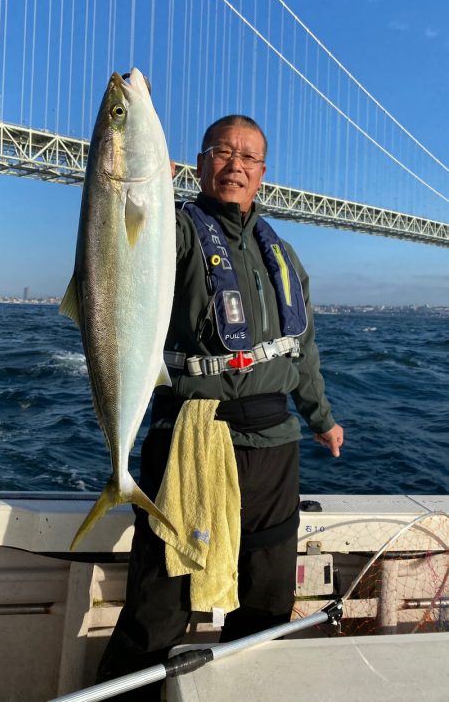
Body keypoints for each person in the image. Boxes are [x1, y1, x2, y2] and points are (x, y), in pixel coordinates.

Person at [97, 114, 344, 700]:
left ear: (263, 173)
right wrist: (139, 181)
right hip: (190, 436)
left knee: (267, 600)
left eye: (248, 157)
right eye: (222, 152)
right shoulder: (176, 232)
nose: (236, 165)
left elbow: (302, 347)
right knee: (159, 604)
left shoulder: (283, 254)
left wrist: (322, 418)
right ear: (200, 163)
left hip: (273, 445)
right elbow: (125, 245)